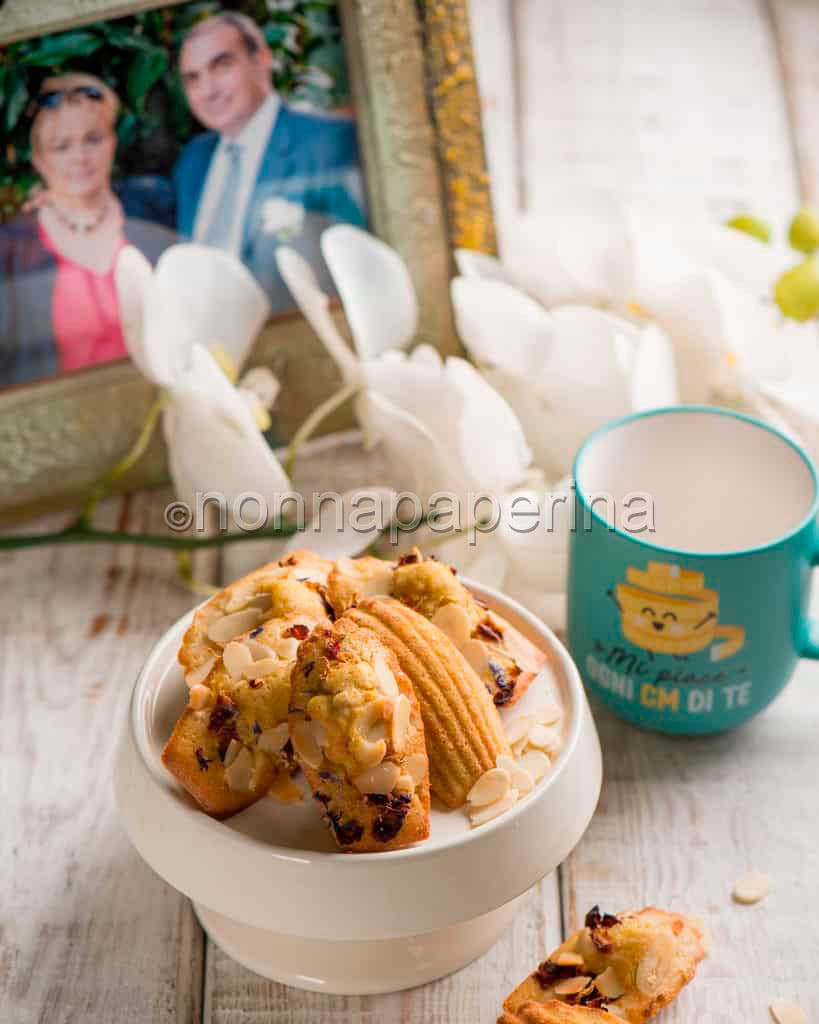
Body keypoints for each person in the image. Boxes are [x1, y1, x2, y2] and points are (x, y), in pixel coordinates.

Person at [174, 12, 366, 310]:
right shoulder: (192, 162)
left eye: (222, 65)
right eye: (193, 79)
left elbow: (361, 271)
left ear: (261, 59)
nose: (208, 90)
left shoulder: (329, 143)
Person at [0, 73, 175, 388]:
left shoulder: (157, 211)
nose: (79, 157)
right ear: (39, 159)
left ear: (112, 142)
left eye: (92, 139)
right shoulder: (12, 249)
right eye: (61, 146)